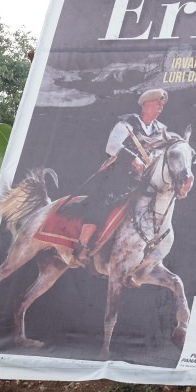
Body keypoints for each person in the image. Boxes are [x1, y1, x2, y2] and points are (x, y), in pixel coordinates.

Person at [72, 88, 170, 265]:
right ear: (145, 104)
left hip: (143, 179)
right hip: (119, 175)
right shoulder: (127, 123)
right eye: (157, 104)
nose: (160, 108)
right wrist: (134, 159)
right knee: (102, 202)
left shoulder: (161, 130)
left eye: (162, 106)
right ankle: (82, 245)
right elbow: (111, 146)